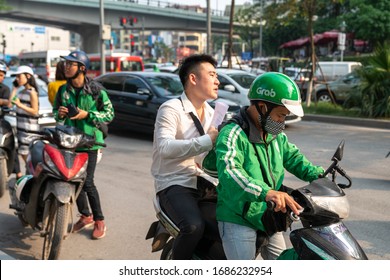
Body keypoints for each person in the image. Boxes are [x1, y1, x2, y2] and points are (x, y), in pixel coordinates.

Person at [214, 72, 324, 260]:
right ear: (263, 107)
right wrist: (267, 193)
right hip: (237, 216)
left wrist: (320, 176)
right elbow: (231, 173)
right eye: (281, 115)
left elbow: (294, 158)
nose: (282, 122)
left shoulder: (274, 134)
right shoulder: (232, 134)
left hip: (267, 215)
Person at [151, 54, 219, 259]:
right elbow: (164, 147)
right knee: (193, 227)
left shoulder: (212, 112)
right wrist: (208, 140)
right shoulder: (171, 108)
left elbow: (212, 154)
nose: (218, 81)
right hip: (174, 182)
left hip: (204, 182)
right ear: (193, 79)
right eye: (212, 75)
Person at [53, 50, 114, 240]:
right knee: (72, 180)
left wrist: (87, 115)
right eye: (66, 64)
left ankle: (99, 220)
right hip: (70, 141)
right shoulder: (63, 90)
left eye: (70, 64)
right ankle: (85, 215)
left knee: (87, 183)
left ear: (82, 68)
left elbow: (110, 114)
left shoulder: (97, 90)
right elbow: (56, 113)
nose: (66, 67)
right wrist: (61, 114)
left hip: (90, 143)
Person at [9, 66, 40, 168]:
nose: (17, 79)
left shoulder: (32, 92)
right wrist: (14, 88)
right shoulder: (21, 92)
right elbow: (10, 104)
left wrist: (20, 105)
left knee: (29, 158)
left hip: (30, 132)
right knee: (25, 157)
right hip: (22, 130)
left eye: (19, 76)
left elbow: (35, 111)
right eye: (16, 77)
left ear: (28, 76)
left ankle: (34, 177)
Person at [0, 61, 22, 179]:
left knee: (10, 143)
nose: (1, 78)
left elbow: (8, 104)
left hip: (1, 121)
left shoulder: (5, 89)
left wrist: (4, 102)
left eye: (3, 75)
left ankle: (18, 173)